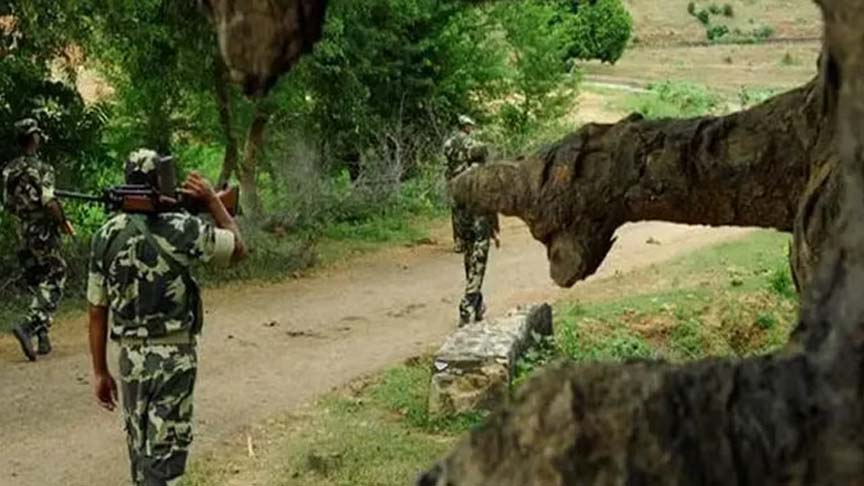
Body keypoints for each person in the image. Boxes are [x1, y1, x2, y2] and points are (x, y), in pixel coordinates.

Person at [86, 148, 247, 486]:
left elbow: (97, 311)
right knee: (166, 459)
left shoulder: (105, 236)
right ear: (161, 182)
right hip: (174, 357)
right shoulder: (183, 229)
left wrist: (100, 371)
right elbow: (238, 250)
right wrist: (212, 202)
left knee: (141, 455)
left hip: (130, 359)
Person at [2, 118, 75, 361]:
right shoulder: (43, 169)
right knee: (55, 274)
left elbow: (8, 203)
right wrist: (63, 222)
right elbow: (49, 201)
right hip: (42, 230)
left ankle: (43, 337)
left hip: (22, 228)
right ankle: (29, 326)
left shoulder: (9, 170)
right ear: (34, 138)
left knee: (36, 277)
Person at [443, 115, 500, 326]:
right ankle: (467, 304)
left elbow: (447, 175)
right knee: (479, 255)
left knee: (470, 255)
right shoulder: (478, 154)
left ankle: (477, 302)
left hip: (459, 206)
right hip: (477, 210)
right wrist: (495, 223)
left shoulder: (448, 145)